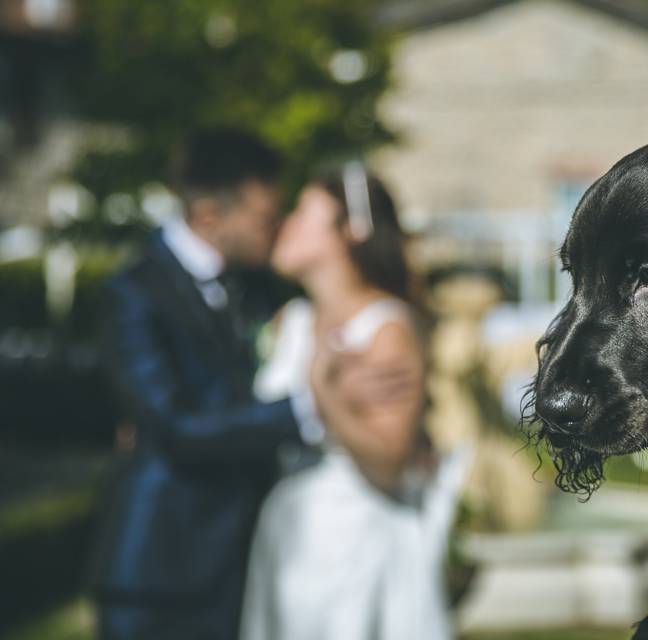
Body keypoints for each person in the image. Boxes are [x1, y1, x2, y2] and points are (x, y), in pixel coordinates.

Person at [91, 131, 403, 640]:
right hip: (159, 565)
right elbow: (174, 427)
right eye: (264, 216)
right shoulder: (133, 293)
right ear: (212, 215)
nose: (277, 227)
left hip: (247, 558)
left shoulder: (261, 287)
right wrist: (313, 405)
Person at [240, 166, 467, 640]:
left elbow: (388, 462)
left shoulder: (386, 330)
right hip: (289, 535)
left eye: (305, 214)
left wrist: (325, 393)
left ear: (349, 233)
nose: (287, 223)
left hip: (355, 543)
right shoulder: (292, 320)